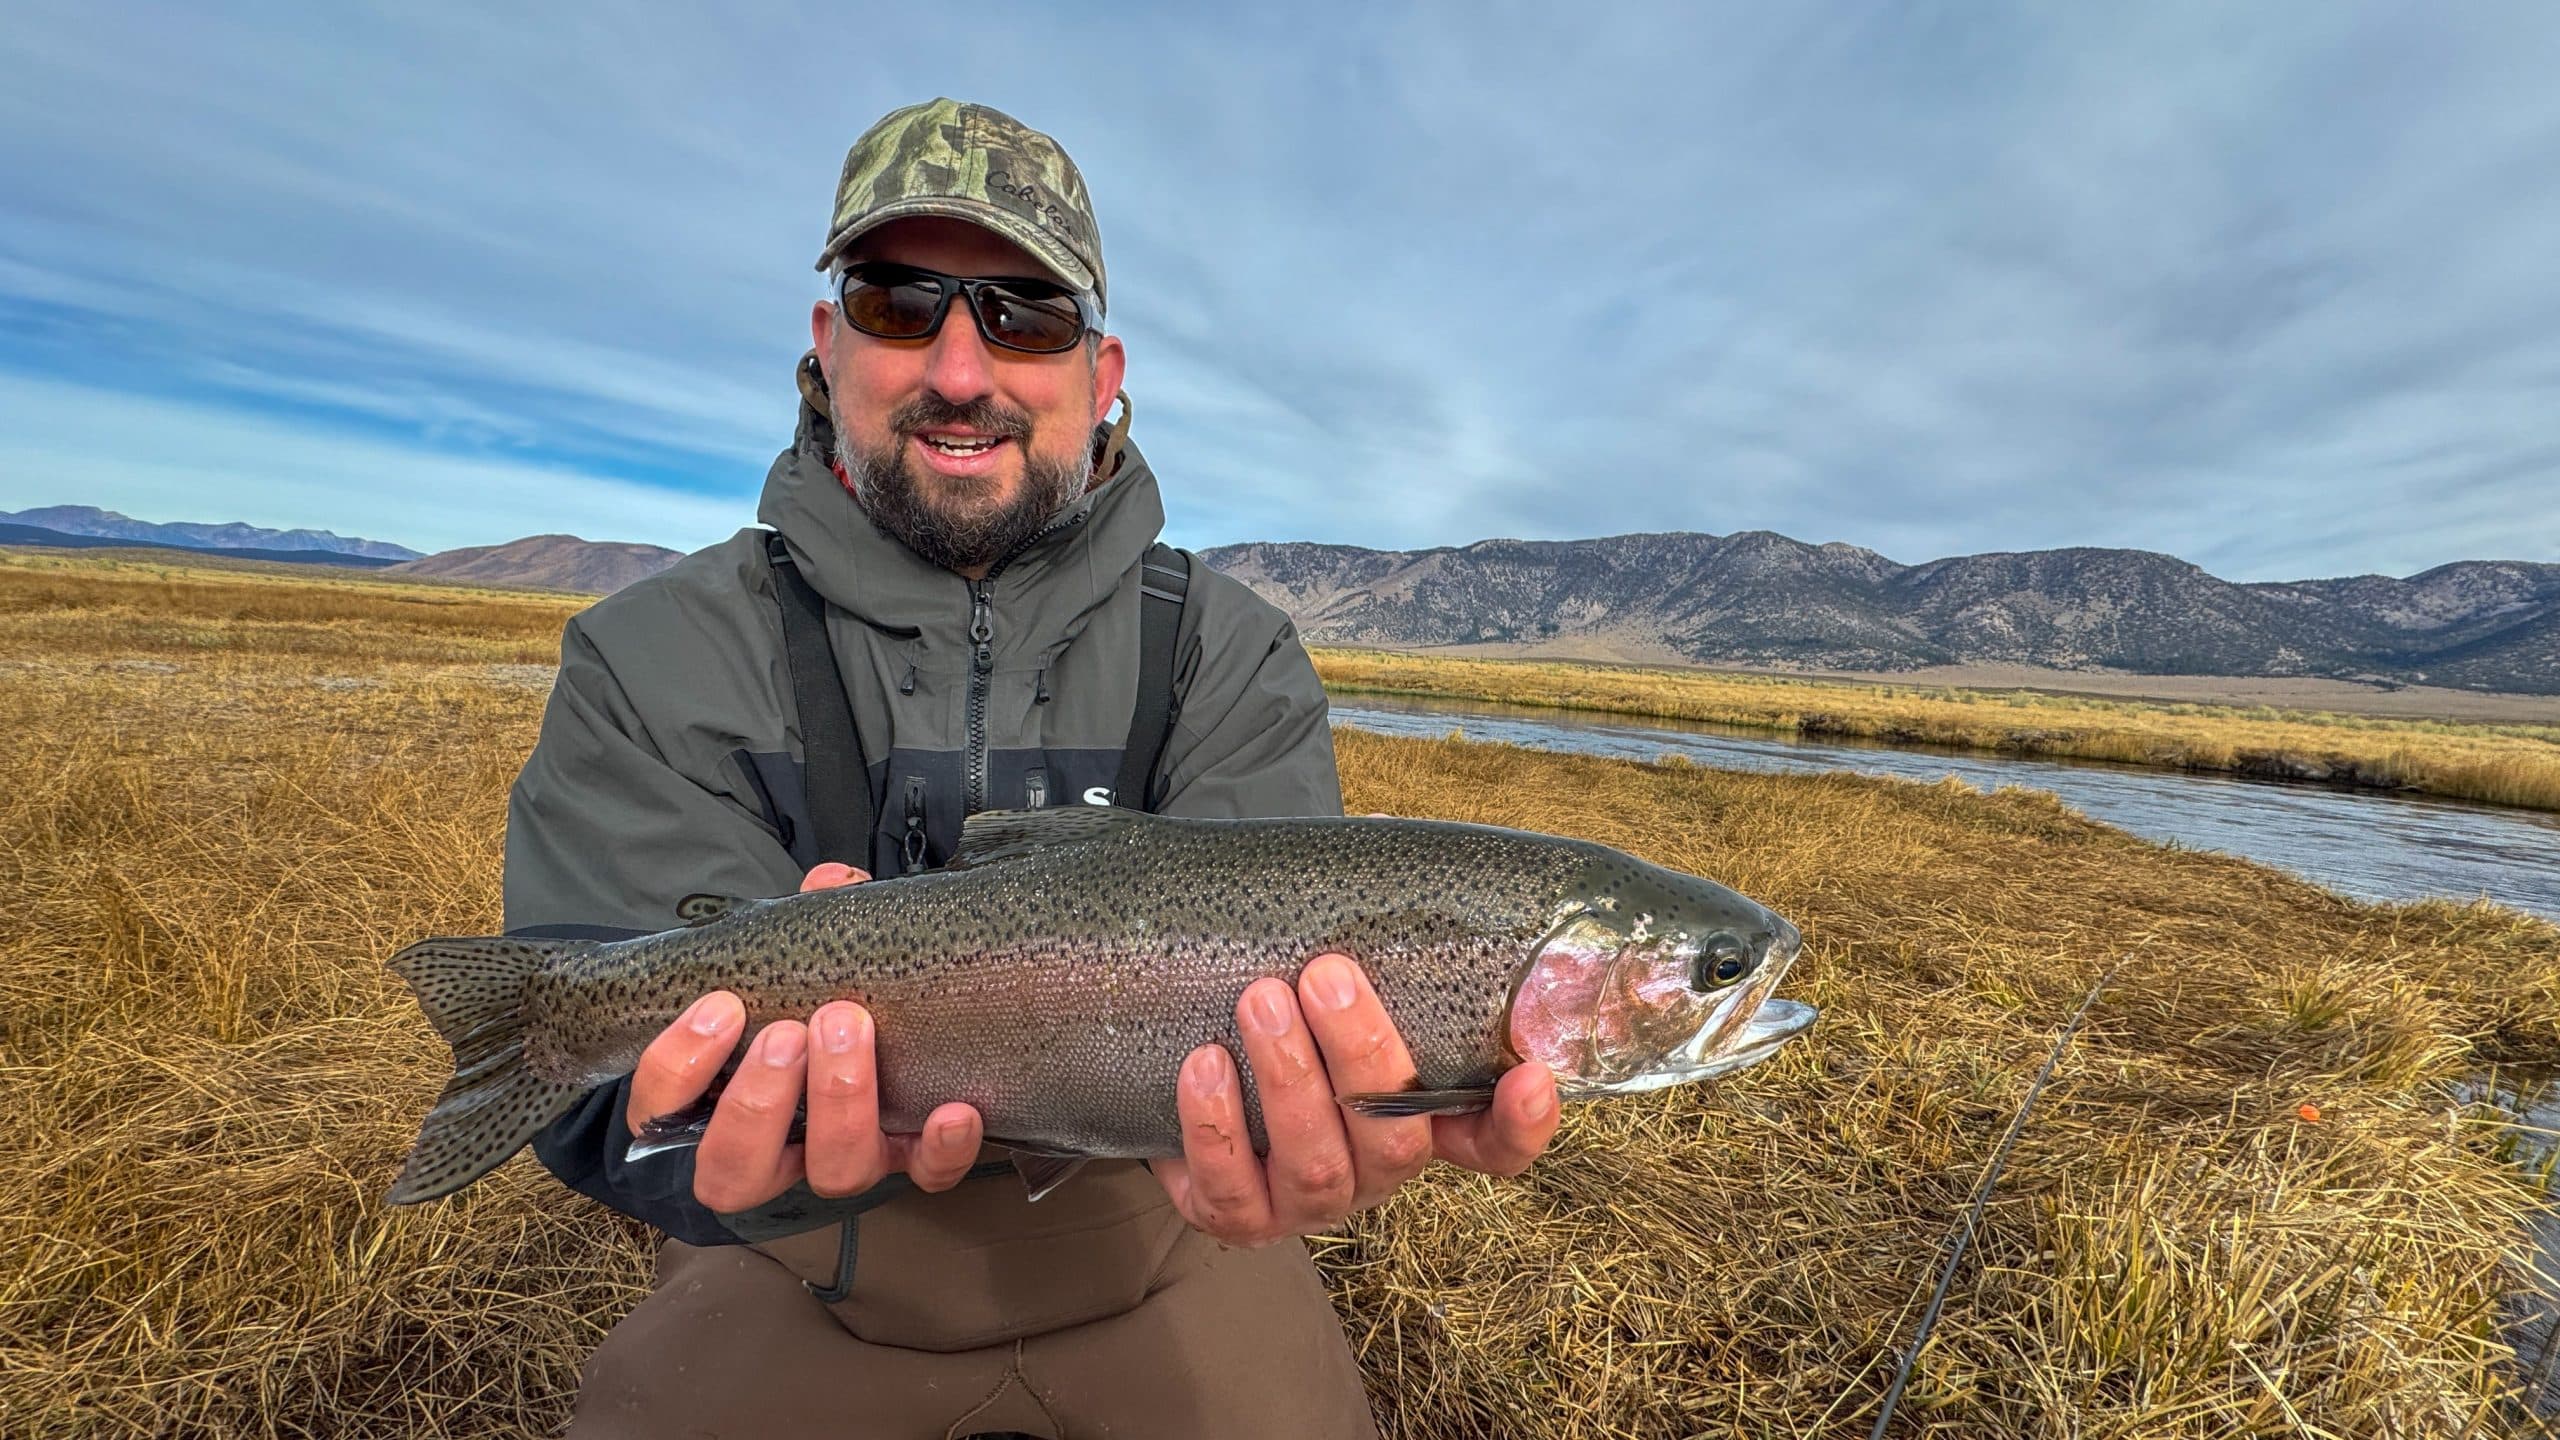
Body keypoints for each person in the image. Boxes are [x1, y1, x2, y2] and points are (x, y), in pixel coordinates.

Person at [500, 98, 1560, 1439]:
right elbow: (597, 1106)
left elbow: (1281, 1049)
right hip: (790, 1268)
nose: (960, 369)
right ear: (828, 350)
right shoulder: (649, 656)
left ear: (1102, 373)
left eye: (1025, 315)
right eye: (899, 303)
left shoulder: (1226, 656)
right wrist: (739, 1153)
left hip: (1176, 1244)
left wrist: (1319, 1141)